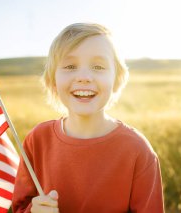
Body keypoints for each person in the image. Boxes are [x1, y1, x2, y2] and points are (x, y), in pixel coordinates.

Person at [12, 23, 165, 213]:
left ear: (116, 80)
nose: (84, 77)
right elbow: (20, 206)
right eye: (70, 66)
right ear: (53, 80)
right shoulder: (37, 140)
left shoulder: (137, 151)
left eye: (98, 66)